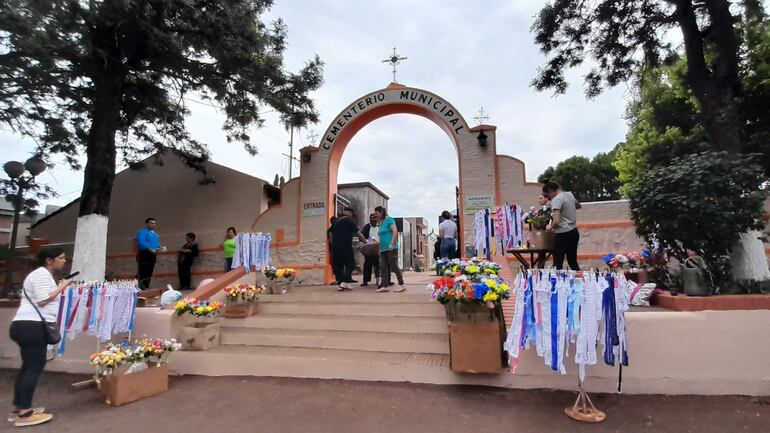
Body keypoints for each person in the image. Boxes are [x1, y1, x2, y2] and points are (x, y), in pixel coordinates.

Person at [8, 246, 70, 427]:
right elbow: (43, 299)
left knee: (28, 367)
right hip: (32, 326)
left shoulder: (40, 274)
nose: (64, 261)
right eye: (61, 258)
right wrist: (62, 287)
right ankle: (25, 414)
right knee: (33, 368)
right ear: (49, 260)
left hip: (26, 326)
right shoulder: (42, 274)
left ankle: (18, 408)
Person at [543, 181, 582, 270]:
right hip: (574, 231)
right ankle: (581, 281)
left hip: (562, 233)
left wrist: (550, 227)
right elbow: (579, 206)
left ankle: (558, 282)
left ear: (550, 190)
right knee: (572, 261)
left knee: (558, 262)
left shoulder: (556, 199)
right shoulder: (569, 195)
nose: (549, 197)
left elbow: (556, 221)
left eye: (548, 194)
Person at [329, 207, 367, 291]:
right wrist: (366, 242)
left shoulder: (336, 221)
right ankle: (345, 282)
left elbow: (330, 233)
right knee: (350, 264)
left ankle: (341, 283)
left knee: (338, 266)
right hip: (345, 246)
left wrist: (333, 244)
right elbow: (358, 233)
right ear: (350, 213)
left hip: (335, 247)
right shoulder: (350, 220)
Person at [374, 206, 405, 293]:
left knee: (394, 266)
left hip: (391, 248)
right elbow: (381, 236)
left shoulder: (389, 220)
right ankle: (384, 285)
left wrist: (392, 243)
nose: (376, 215)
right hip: (382, 249)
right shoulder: (380, 222)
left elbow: (395, 231)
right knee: (383, 266)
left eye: (377, 213)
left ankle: (401, 284)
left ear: (381, 212)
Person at [136, 217, 162, 289]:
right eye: (151, 223)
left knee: (149, 272)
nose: (153, 225)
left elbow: (157, 244)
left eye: (154, 223)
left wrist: (160, 248)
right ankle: (139, 286)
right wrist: (150, 249)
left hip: (152, 255)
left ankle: (146, 286)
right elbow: (141, 243)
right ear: (147, 224)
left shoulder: (155, 234)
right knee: (142, 271)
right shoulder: (142, 232)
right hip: (144, 254)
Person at [359, 213, 379, 287]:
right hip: (369, 248)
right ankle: (365, 280)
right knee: (367, 264)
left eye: (375, 220)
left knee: (382, 264)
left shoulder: (380, 226)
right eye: (371, 220)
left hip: (379, 248)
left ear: (377, 220)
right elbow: (361, 235)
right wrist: (365, 241)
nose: (373, 221)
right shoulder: (367, 227)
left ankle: (386, 280)